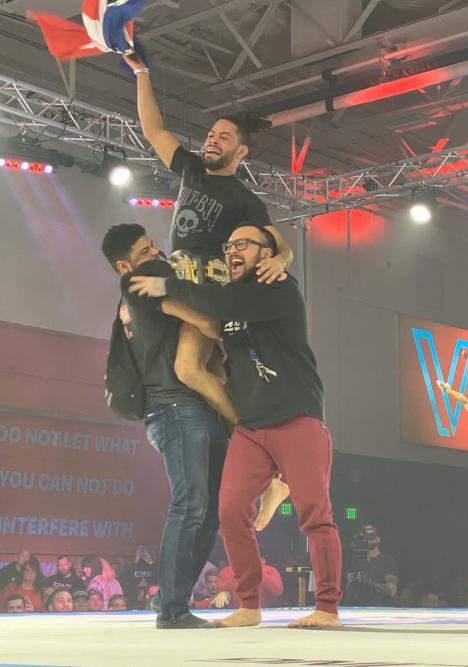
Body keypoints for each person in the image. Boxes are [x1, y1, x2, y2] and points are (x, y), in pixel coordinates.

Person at [129, 223, 343, 630]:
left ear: (266, 254)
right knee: (229, 511)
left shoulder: (279, 288)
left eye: (242, 244)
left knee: (315, 515)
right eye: (228, 245)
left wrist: (167, 287)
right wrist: (161, 304)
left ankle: (327, 607)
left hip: (295, 417)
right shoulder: (231, 307)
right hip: (250, 427)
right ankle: (249, 604)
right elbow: (213, 321)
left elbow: (222, 300)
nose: (231, 251)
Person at [124, 52, 293, 530]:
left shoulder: (244, 199)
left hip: (208, 282)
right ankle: (272, 470)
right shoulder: (191, 171)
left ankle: (270, 460)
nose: (212, 140)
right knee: (210, 373)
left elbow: (280, 245)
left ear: (241, 152)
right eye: (211, 134)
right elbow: (153, 128)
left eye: (223, 137)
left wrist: (280, 260)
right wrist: (141, 72)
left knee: (187, 367)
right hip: (181, 274)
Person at [102, 224, 227, 629]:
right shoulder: (140, 284)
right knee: (191, 505)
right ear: (125, 266)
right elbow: (206, 322)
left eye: (153, 245)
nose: (156, 254)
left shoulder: (141, 288)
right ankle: (172, 609)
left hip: (193, 406)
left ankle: (174, 599)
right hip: (175, 406)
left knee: (208, 512)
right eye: (144, 252)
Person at [344, 525, 398, 607]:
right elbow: (348, 592)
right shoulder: (356, 560)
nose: (368, 539)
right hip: (360, 608)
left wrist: (370, 582)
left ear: (378, 539)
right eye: (365, 536)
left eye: (371, 536)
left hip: (381, 609)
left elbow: (392, 591)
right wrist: (351, 582)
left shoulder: (387, 561)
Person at [121, 544, 157, 610]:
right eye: (139, 551)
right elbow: (125, 579)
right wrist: (136, 561)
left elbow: (159, 578)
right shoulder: (131, 567)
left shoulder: (154, 566)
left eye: (144, 551)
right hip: (133, 601)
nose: (142, 553)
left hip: (151, 600)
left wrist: (150, 561)